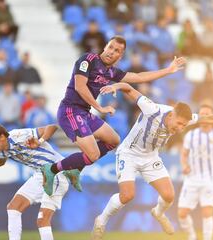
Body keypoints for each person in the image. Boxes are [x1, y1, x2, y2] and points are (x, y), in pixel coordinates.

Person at [91, 82, 213, 240]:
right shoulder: (153, 109)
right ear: (171, 115)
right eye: (178, 124)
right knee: (127, 195)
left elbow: (210, 118)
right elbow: (128, 88)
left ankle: (158, 212)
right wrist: (115, 86)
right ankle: (101, 220)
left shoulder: (184, 118)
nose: (179, 129)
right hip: (129, 153)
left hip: (150, 157)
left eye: (184, 126)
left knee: (169, 195)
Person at [41, 35, 186, 196]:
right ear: (105, 47)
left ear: (120, 56)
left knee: (113, 140)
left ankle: (75, 169)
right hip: (70, 111)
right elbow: (80, 87)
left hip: (84, 113)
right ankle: (51, 169)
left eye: (117, 50)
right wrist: (100, 108)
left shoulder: (111, 72)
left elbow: (139, 77)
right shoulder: (87, 60)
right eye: (110, 47)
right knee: (93, 154)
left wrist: (168, 70)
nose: (112, 52)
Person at [0, 122, 80, 240]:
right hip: (41, 174)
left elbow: (52, 127)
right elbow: (0, 161)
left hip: (56, 172)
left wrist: (40, 141)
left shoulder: (18, 136)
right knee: (13, 207)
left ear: (2, 137)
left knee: (42, 220)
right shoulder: (2, 149)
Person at [177, 104, 213, 240]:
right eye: (202, 114)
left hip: (209, 179)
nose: (205, 117)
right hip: (191, 180)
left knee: (207, 213)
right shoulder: (190, 135)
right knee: (182, 214)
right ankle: (191, 236)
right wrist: (184, 165)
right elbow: (184, 154)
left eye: (208, 114)